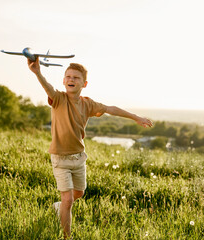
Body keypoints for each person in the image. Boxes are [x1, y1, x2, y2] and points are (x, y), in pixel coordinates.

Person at [28, 58, 153, 239]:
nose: (71, 79)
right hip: (60, 158)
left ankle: (59, 207)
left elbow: (111, 109)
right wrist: (37, 72)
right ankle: (66, 236)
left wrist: (135, 117)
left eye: (76, 78)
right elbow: (48, 88)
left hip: (79, 157)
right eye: (68, 76)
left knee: (79, 193)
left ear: (84, 83)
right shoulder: (58, 99)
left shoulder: (88, 104)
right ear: (63, 81)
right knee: (68, 199)